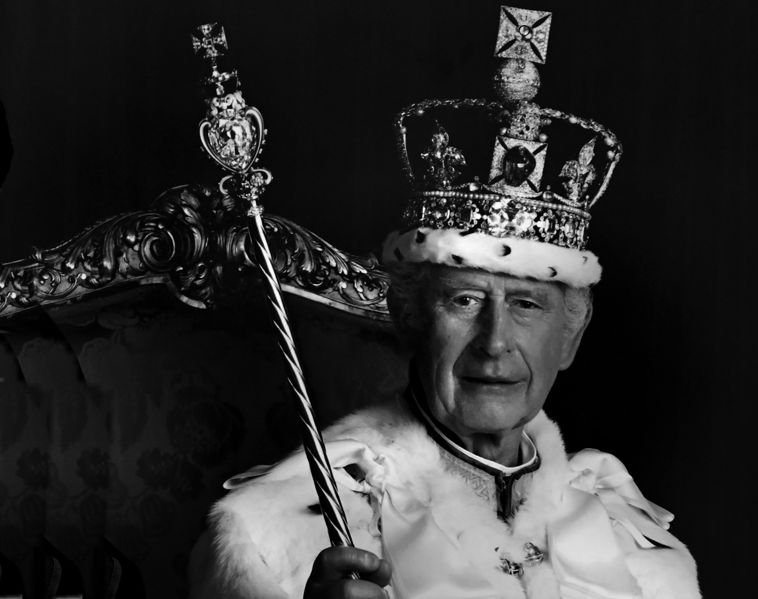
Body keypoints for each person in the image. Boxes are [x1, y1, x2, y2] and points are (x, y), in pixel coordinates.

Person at [189, 6, 701, 599]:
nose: (495, 342)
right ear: (408, 316)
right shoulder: (290, 530)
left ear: (570, 337)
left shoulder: (619, 528)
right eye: (465, 300)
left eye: (527, 305)